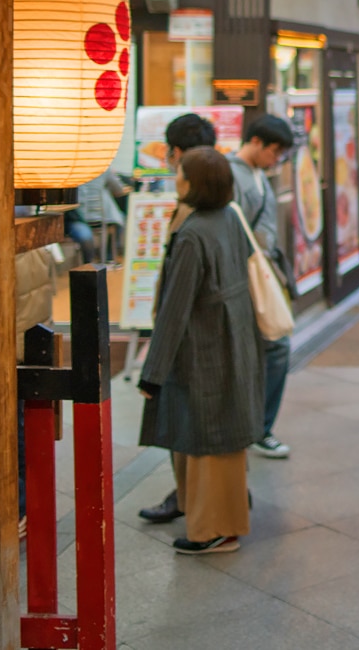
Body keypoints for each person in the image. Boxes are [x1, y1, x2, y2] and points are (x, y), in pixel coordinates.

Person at [137, 147, 264, 555]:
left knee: (205, 438)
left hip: (202, 347)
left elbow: (174, 310)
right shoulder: (229, 219)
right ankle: (219, 519)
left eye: (181, 175)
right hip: (235, 339)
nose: (176, 180)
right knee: (225, 436)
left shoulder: (192, 234)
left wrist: (150, 373)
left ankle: (214, 529)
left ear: (194, 184)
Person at [139, 113, 220, 526]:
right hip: (212, 337)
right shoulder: (219, 201)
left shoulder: (193, 217)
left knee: (189, 422)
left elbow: (176, 300)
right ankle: (200, 496)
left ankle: (199, 502)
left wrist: (153, 367)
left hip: (193, 340)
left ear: (175, 154)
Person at [229, 115, 296, 460]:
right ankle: (257, 429)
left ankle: (256, 427)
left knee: (273, 348)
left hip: (260, 274)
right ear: (256, 141)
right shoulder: (232, 174)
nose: (277, 160)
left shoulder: (257, 175)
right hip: (246, 278)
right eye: (275, 152)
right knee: (275, 347)